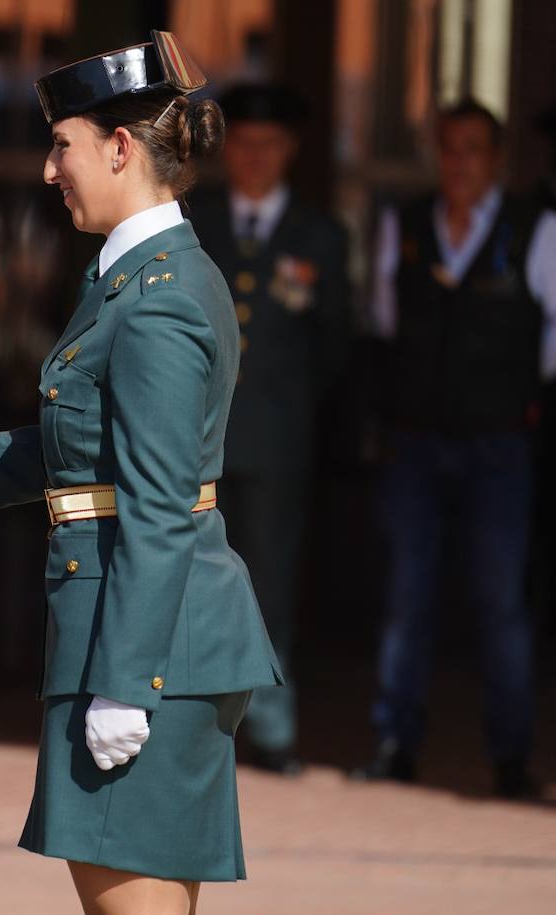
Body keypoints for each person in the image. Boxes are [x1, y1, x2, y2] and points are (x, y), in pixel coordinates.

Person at [0, 31, 281, 915]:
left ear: (119, 147)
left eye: (61, 145)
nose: (46, 170)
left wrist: (125, 682)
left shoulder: (160, 298)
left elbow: (158, 502)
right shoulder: (133, 278)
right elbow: (76, 452)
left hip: (147, 650)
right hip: (147, 640)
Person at [354, 99, 556, 798]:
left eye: (474, 148)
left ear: (497, 158)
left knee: (501, 602)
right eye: (448, 147)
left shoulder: (537, 231)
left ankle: (510, 757)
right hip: (416, 442)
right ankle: (396, 743)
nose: (460, 161)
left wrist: (506, 390)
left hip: (500, 444)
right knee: (406, 596)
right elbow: (384, 319)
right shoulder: (405, 226)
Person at [190, 84, 351, 776]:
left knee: (271, 582)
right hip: (200, 437)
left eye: (269, 145)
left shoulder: (319, 236)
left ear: (291, 151)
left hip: (280, 438)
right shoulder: (197, 222)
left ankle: (273, 730)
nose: (254, 157)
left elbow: (336, 343)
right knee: (196, 577)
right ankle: (198, 723)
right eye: (243, 144)